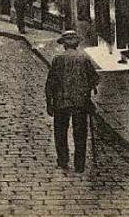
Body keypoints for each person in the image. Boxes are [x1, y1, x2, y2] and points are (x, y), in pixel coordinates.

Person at [45, 30, 98, 173]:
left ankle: (63, 160)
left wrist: (49, 102)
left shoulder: (57, 59)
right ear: (76, 44)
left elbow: (50, 82)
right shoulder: (84, 58)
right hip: (80, 103)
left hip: (61, 102)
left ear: (63, 45)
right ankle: (79, 164)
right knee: (80, 133)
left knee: (60, 132)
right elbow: (94, 78)